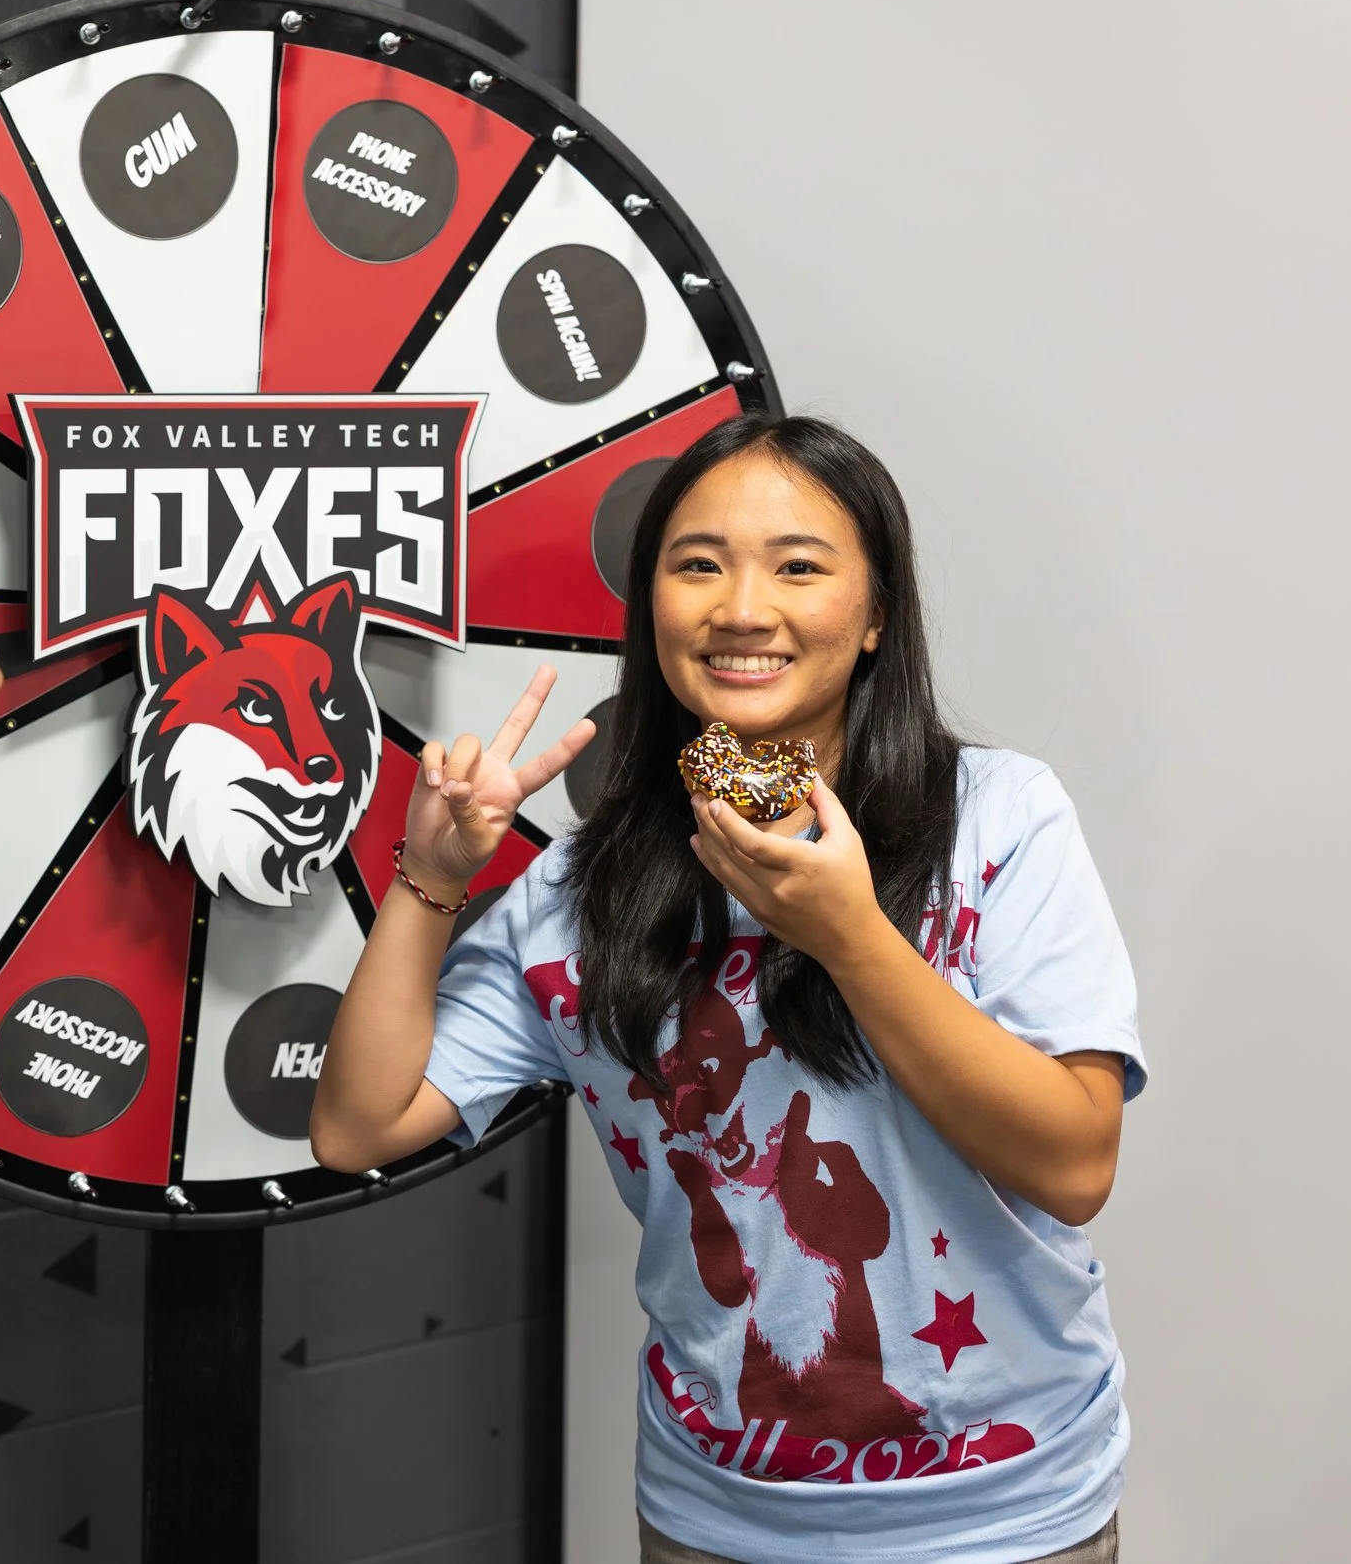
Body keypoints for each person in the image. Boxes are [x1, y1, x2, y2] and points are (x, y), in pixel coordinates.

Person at [311, 414, 1138, 1564]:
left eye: (798, 566)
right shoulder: (577, 892)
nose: (742, 607)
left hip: (1006, 1511)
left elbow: (1075, 1160)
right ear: (650, 606)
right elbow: (359, 1123)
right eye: (696, 563)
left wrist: (849, 935)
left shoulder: (994, 821)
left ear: (876, 614)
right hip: (717, 1518)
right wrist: (430, 878)